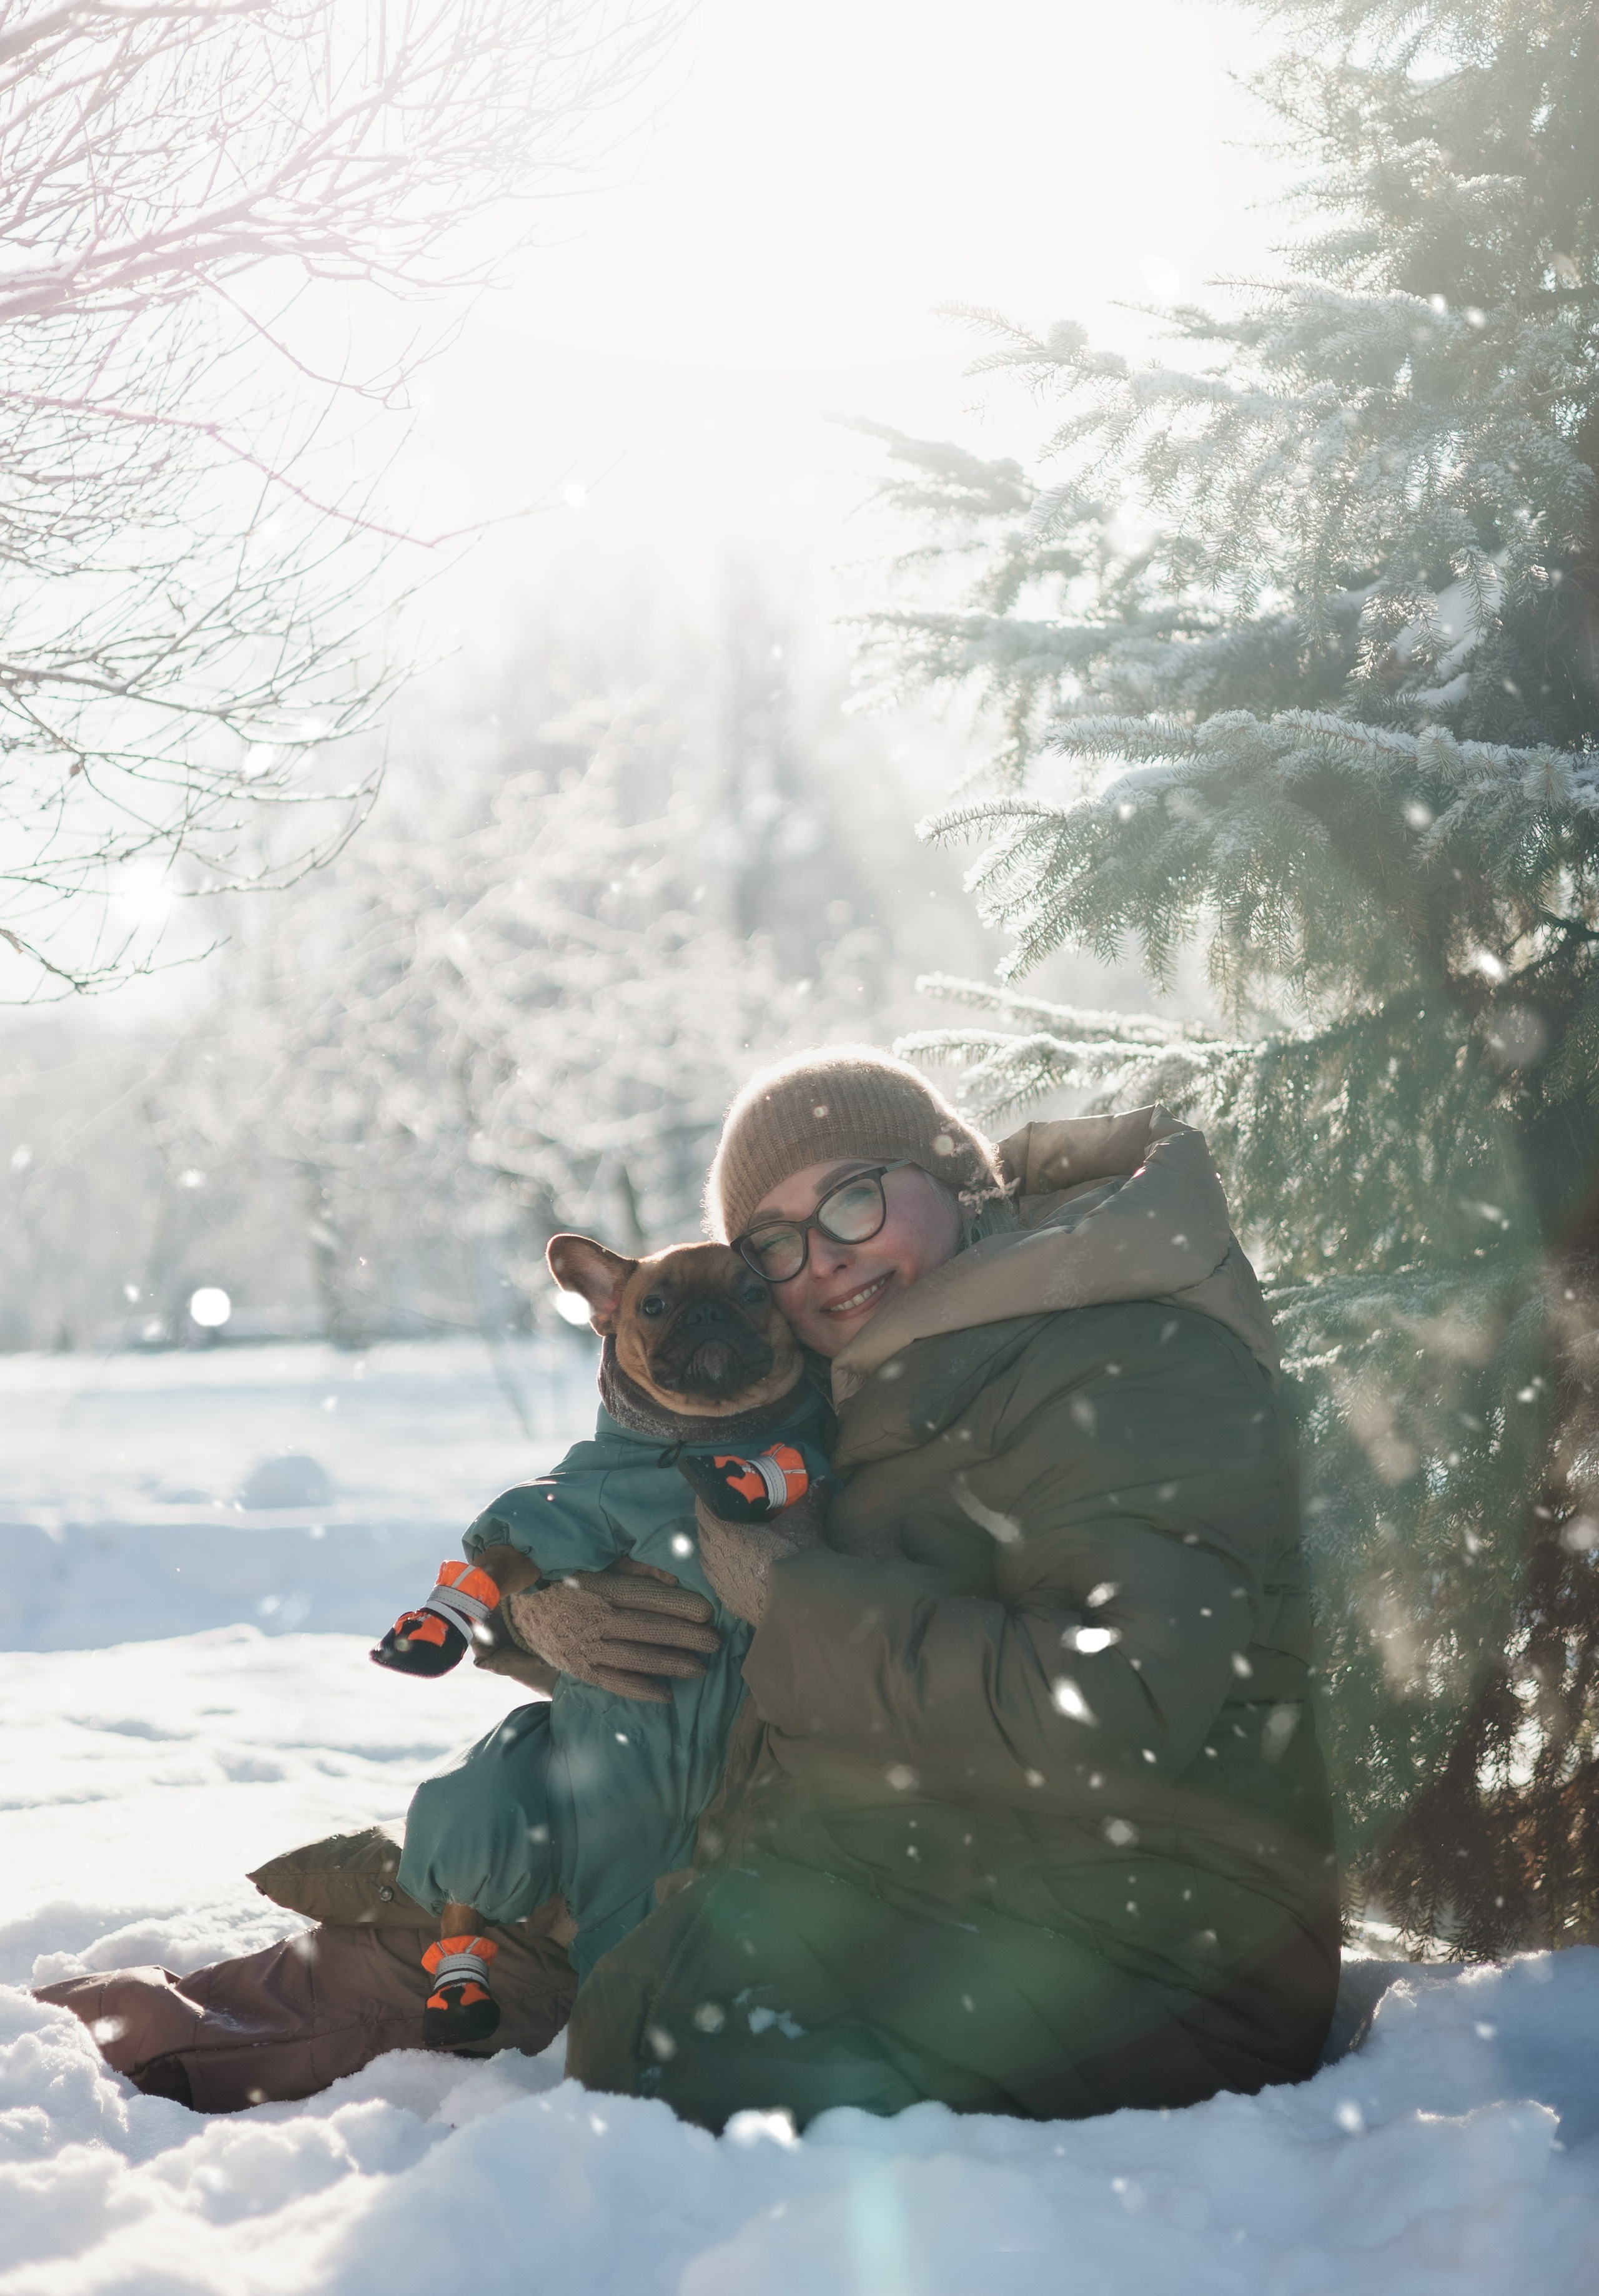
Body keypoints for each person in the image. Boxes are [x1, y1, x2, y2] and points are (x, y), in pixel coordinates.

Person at [566, 1047, 1340, 2129]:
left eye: (852, 1199)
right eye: (775, 1243)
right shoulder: (891, 1372)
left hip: (1158, 1957)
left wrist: (796, 1598)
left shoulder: (1126, 1351)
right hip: (957, 1884)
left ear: (962, 1177)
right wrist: (549, 1611)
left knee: (684, 2054)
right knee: (635, 2013)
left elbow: (1106, 1701)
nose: (823, 1259)